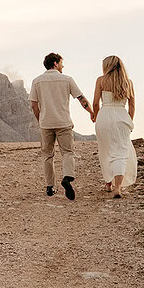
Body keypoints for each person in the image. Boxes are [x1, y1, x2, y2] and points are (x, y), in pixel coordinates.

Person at [29, 52, 94, 200]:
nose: (63, 66)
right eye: (61, 63)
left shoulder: (37, 81)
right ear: (55, 63)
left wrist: (40, 120)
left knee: (47, 155)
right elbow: (81, 98)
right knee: (67, 152)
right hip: (64, 122)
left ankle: (50, 187)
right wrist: (91, 112)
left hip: (46, 123)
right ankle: (67, 177)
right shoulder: (67, 79)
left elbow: (34, 105)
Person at [90, 55, 137, 198]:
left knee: (106, 150)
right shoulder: (128, 82)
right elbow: (132, 105)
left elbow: (95, 103)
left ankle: (108, 183)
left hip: (104, 116)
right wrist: (129, 120)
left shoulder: (101, 80)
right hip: (122, 116)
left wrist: (96, 116)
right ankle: (118, 188)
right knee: (121, 153)